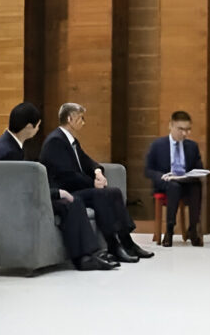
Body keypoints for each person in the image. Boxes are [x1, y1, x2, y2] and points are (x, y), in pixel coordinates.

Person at [0, 102, 118, 271]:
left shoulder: (11, 146)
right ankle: (83, 258)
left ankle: (89, 254)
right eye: (37, 126)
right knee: (72, 203)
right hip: (19, 203)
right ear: (29, 126)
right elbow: (19, 189)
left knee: (73, 201)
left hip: (26, 197)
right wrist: (56, 193)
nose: (38, 130)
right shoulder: (7, 152)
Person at [39, 103, 152, 263]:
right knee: (103, 195)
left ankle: (127, 242)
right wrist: (93, 183)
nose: (83, 122)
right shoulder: (55, 141)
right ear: (70, 119)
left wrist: (97, 172)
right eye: (81, 118)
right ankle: (113, 245)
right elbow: (67, 176)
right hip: (65, 193)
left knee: (113, 192)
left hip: (76, 189)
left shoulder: (71, 141)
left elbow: (87, 161)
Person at [144, 111, 204, 247]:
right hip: (166, 183)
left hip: (186, 182)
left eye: (188, 130)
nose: (184, 134)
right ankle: (169, 230)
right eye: (181, 129)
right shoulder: (157, 145)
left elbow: (198, 167)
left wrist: (192, 174)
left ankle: (193, 229)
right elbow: (148, 170)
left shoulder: (192, 146)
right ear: (170, 126)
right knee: (174, 186)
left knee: (197, 186)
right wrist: (162, 177)